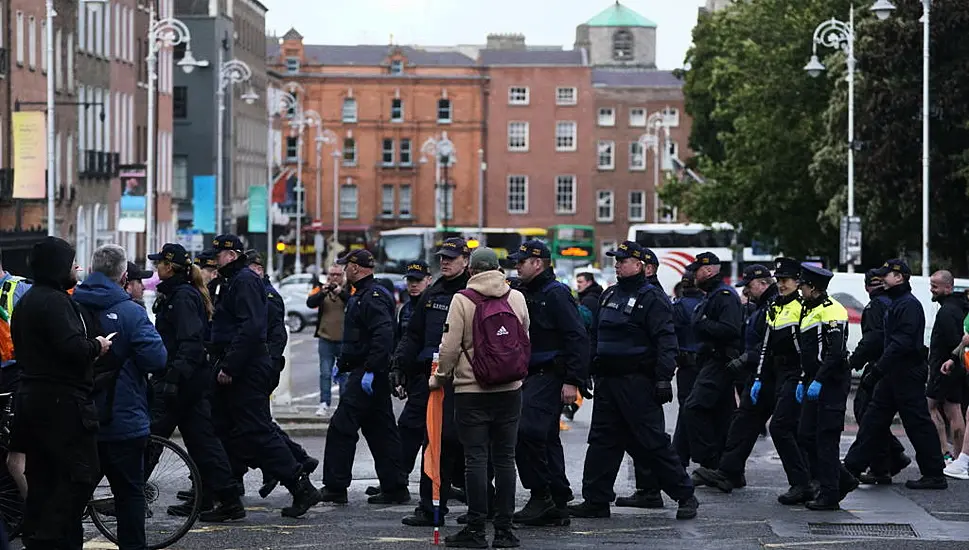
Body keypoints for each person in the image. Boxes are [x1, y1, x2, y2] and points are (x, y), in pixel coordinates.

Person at [568, 241, 698, 521]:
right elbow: (595, 337)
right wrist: (586, 370)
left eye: (623, 260)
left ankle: (685, 495)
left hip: (637, 382)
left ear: (639, 265)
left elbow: (666, 341)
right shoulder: (609, 294)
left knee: (652, 442)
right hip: (608, 382)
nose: (617, 264)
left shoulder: (652, 298)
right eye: (616, 260)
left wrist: (663, 378)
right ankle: (596, 500)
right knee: (603, 442)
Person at [207, 234, 321, 518]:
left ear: (231, 256)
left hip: (246, 368)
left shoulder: (244, 281)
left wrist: (230, 366)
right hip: (239, 364)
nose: (215, 260)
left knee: (257, 430)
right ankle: (228, 495)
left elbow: (251, 329)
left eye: (218, 255)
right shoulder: (233, 281)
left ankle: (299, 484)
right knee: (229, 429)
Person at [11, 236, 113, 549]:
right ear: (58, 268)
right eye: (72, 263)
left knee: (44, 478)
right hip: (61, 404)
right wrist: (98, 345)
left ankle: (45, 536)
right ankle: (51, 539)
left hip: (33, 399)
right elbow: (72, 348)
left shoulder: (28, 301)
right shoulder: (55, 302)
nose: (78, 267)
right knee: (76, 476)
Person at [73, 244, 169, 547]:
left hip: (78, 418)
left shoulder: (70, 307)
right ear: (124, 276)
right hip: (123, 419)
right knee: (129, 496)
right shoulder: (131, 312)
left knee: (71, 499)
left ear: (90, 271)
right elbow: (158, 359)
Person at [433, 246, 528, 549]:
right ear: (498, 268)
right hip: (510, 390)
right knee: (505, 460)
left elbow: (448, 348)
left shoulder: (462, 299)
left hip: (472, 391)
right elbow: (524, 335)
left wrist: (441, 377)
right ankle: (504, 530)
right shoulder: (516, 296)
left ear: (471, 271)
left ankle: (475, 530)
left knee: (475, 459)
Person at [147, 242, 247, 522]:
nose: (156, 268)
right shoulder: (178, 294)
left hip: (181, 382)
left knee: (151, 439)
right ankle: (228, 500)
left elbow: (190, 343)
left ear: (169, 267)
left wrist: (173, 379)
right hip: (189, 381)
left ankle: (128, 496)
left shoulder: (181, 298)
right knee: (203, 443)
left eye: (159, 264)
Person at [844, 259, 948, 492]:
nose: (882, 279)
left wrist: (878, 369)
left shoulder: (907, 305)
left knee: (917, 423)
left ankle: (934, 474)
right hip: (893, 373)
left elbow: (900, 343)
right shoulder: (898, 303)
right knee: (872, 421)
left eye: (886, 275)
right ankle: (850, 468)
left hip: (905, 373)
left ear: (899, 277)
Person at [508, 240, 588, 527]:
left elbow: (576, 337)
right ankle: (557, 498)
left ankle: (541, 495)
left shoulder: (556, 294)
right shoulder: (521, 291)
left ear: (538, 263)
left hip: (549, 374)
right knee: (545, 438)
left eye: (521, 262)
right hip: (529, 375)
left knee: (526, 432)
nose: (516, 266)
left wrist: (572, 381)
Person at [320, 249, 409, 505]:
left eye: (345, 265)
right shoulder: (362, 294)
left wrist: (370, 368)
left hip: (368, 373)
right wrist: (344, 363)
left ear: (356, 268)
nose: (344, 270)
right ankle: (395, 487)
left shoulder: (372, 296)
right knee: (381, 431)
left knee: (341, 427)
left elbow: (383, 334)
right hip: (366, 371)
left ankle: (335, 487)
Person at [392, 238, 471, 525]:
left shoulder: (474, 291)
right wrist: (399, 363)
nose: (445, 262)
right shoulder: (433, 293)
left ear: (466, 259)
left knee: (470, 445)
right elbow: (413, 335)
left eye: (451, 257)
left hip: (467, 380)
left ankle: (481, 508)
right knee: (433, 442)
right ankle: (431, 507)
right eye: (442, 258)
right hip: (435, 381)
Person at [245, 251, 319, 499]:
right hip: (256, 368)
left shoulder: (268, 297)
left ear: (258, 269)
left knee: (259, 427)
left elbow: (273, 336)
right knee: (259, 425)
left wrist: (267, 366)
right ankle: (291, 463)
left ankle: (294, 464)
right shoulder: (253, 292)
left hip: (261, 369)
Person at [848, 270, 911, 484]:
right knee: (877, 416)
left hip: (879, 366)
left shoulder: (875, 306)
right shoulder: (892, 302)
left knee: (866, 414)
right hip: (893, 366)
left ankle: (882, 465)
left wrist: (853, 361)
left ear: (867, 288)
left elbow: (873, 339)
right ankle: (893, 457)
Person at [683, 252, 743, 472]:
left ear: (708, 271)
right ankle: (727, 467)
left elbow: (731, 329)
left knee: (694, 408)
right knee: (722, 415)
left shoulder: (724, 295)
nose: (694, 275)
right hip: (712, 360)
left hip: (720, 361)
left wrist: (702, 323)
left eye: (697, 270)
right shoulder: (712, 295)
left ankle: (709, 460)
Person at [925, 270, 969, 460]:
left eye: (935, 286)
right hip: (951, 366)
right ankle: (955, 455)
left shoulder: (947, 312)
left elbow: (954, 341)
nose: (931, 290)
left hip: (945, 368)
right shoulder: (957, 307)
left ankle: (947, 452)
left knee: (932, 407)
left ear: (948, 288)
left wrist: (949, 361)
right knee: (954, 409)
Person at [670, 271, 703, 471]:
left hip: (687, 365)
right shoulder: (708, 303)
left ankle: (681, 455)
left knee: (686, 410)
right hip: (707, 364)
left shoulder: (679, 306)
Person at [307, 264, 350, 417]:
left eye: (338, 274)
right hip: (325, 338)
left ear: (343, 276)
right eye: (332, 274)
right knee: (325, 373)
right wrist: (322, 293)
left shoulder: (350, 289)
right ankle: (324, 403)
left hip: (344, 340)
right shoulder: (322, 288)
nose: (334, 278)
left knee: (344, 374)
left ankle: (344, 406)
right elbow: (310, 302)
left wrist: (342, 293)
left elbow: (354, 304)